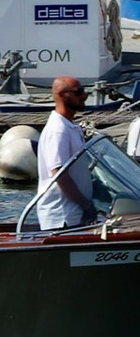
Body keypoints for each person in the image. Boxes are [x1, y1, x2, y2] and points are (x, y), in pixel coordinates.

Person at [35, 74, 100, 232]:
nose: (84, 95)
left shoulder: (70, 127)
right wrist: (86, 205)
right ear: (62, 95)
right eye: (78, 91)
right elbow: (59, 173)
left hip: (75, 214)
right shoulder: (58, 130)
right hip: (62, 217)